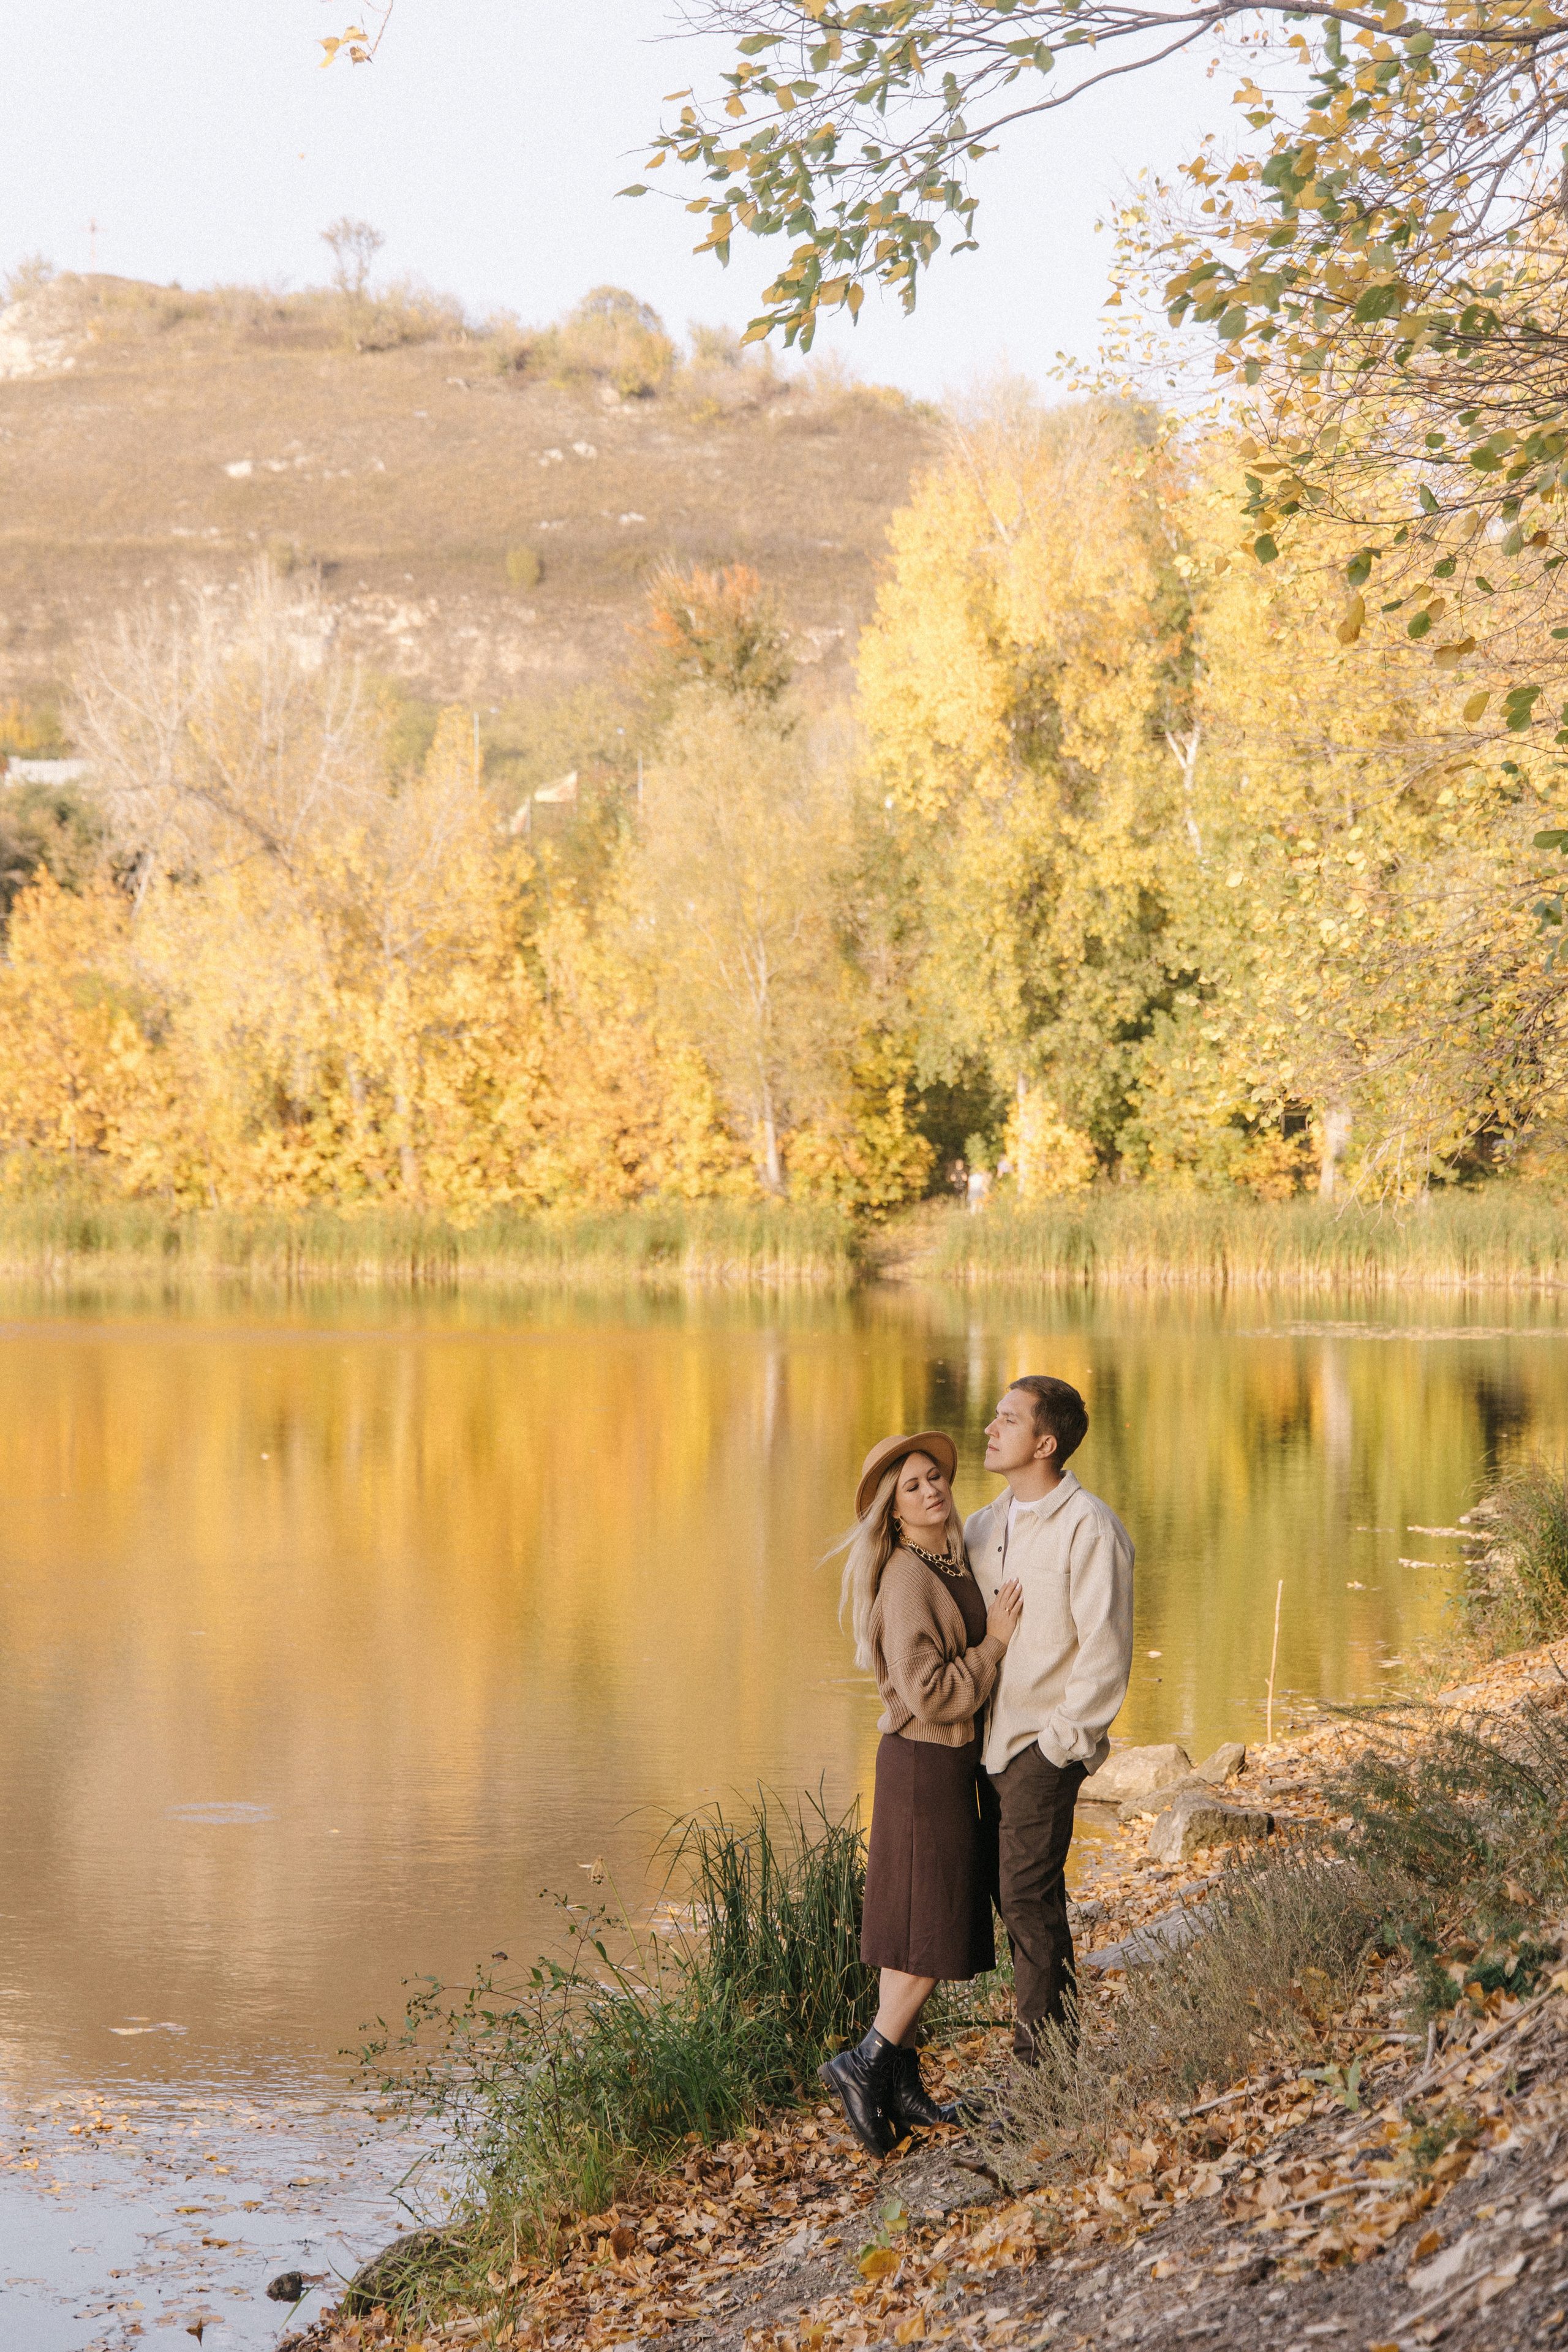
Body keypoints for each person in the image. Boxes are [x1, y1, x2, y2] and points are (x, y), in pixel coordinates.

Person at [821, 1431, 1023, 2156]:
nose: (932, 1489)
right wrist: (995, 1646)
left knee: (918, 1933)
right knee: (932, 1936)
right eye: (912, 1485)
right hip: (921, 1765)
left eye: (934, 1476)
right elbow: (932, 1693)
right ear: (893, 1511)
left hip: (943, 1766)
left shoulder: (952, 1556)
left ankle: (898, 2086)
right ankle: (865, 2061)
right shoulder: (907, 1577)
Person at [968, 1376, 1134, 2063]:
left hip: (1040, 1749)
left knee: (1027, 1903)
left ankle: (1043, 2073)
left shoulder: (1089, 1527)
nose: (990, 1428)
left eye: (1007, 1420)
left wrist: (1059, 1747)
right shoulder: (981, 1526)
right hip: (977, 1747)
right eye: (995, 1416)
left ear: (1045, 1442)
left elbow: (1106, 1652)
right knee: (1011, 1902)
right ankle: (1052, 2055)